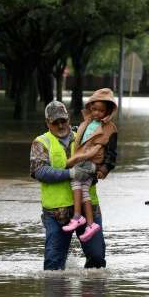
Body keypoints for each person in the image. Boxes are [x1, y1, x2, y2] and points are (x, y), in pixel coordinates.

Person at [30, 100, 117, 270]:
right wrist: (70, 174)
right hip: (57, 213)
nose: (61, 125)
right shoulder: (41, 142)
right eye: (56, 122)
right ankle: (57, 294)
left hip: (88, 207)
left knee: (97, 261)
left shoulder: (85, 135)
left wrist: (103, 168)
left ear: (69, 118)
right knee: (53, 266)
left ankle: (91, 294)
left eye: (64, 120)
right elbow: (39, 172)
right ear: (47, 122)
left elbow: (105, 154)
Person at [61, 88, 118, 242]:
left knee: (75, 181)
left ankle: (78, 216)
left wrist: (104, 168)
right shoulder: (86, 122)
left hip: (91, 161)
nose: (97, 113)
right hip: (82, 159)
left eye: (101, 111)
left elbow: (112, 153)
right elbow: (80, 138)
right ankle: (90, 224)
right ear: (90, 107)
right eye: (94, 109)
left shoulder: (110, 129)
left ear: (108, 111)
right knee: (84, 190)